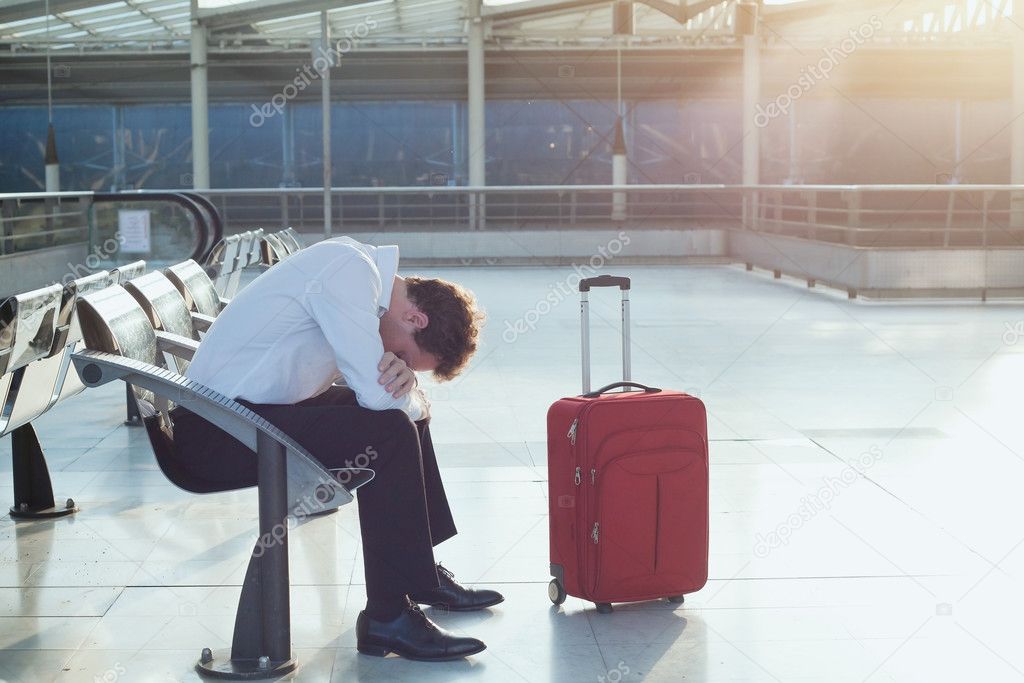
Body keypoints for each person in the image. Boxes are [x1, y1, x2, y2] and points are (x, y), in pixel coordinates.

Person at [170, 236, 501, 661]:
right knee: (391, 428)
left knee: (403, 421)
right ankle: (388, 615)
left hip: (246, 414)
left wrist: (409, 391)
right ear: (415, 318)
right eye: (400, 353)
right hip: (215, 433)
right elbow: (380, 397)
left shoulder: (356, 269)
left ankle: (420, 575)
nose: (390, 358)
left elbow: (385, 395)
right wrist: (409, 393)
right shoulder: (348, 272)